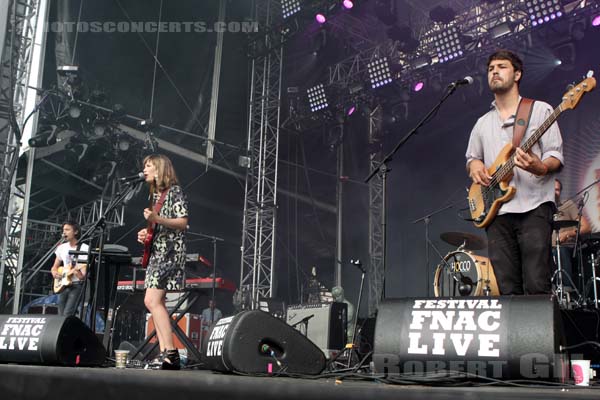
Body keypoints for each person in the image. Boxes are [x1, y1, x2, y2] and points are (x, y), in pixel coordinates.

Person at [465, 49, 564, 295]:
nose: (494, 71)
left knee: (536, 283)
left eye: (502, 66)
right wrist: (475, 168)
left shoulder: (540, 110)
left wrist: (540, 167)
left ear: (517, 74)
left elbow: (556, 156)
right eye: (490, 68)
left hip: (534, 205)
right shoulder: (482, 123)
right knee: (506, 288)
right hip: (497, 212)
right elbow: (472, 159)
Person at [137, 154, 188, 370]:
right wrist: (146, 233)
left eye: (148, 166)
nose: (144, 170)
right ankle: (165, 354)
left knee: (152, 300)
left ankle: (171, 354)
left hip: (169, 254)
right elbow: (159, 227)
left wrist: (157, 220)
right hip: (158, 252)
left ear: (160, 170)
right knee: (152, 302)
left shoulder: (174, 191)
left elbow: (183, 222)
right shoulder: (158, 196)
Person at [552, 178, 591, 287]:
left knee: (560, 251)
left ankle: (567, 290)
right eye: (552, 189)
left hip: (565, 248)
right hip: (548, 250)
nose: (555, 193)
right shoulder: (542, 210)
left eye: (558, 190)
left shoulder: (567, 204)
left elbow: (586, 227)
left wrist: (568, 233)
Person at [51, 221, 89, 317]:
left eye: (67, 230)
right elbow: (55, 266)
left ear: (75, 232)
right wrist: (54, 272)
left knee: (68, 314)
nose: (64, 232)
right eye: (63, 230)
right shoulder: (62, 247)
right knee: (60, 315)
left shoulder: (84, 248)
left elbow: (82, 277)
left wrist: (77, 272)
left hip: (76, 285)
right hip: (63, 284)